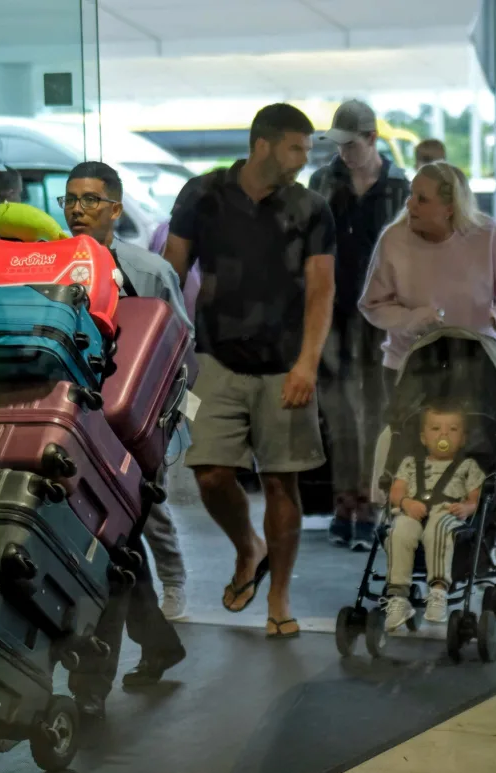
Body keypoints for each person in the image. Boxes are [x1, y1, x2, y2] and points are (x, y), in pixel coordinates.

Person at [163, 104, 336, 639]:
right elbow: (171, 273)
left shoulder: (310, 208)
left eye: (308, 150)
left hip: (285, 363)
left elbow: (322, 289)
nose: (303, 160)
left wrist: (307, 362)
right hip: (215, 356)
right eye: (295, 148)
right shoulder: (202, 194)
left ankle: (279, 597)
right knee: (210, 472)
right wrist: (167, 352)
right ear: (262, 144)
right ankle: (247, 550)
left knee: (282, 482)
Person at [58, 161, 190, 719]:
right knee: (117, 552)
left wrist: (166, 434)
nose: (78, 209)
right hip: (74, 430)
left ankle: (91, 687)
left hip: (134, 439)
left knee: (108, 554)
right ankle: (159, 645)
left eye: (90, 199)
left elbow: (178, 349)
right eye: (70, 199)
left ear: (116, 208)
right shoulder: (50, 268)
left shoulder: (149, 270)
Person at [309, 99, 410, 551]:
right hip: (330, 311)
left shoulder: (400, 189)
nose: (344, 153)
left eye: (352, 145)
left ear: (371, 139)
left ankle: (370, 504)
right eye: (339, 145)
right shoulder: (321, 182)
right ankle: (343, 501)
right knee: (336, 414)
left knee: (376, 412)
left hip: (380, 315)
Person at [360, 161, 496, 382]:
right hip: (409, 366)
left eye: (422, 199)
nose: (409, 204)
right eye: (411, 194)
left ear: (450, 208)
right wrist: (411, 319)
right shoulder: (393, 239)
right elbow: (373, 305)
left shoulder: (486, 234)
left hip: (478, 363)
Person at [384, 403, 485, 630]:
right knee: (399, 529)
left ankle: (438, 590)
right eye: (436, 428)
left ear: (463, 438)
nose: (443, 434)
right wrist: (406, 502)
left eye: (453, 429)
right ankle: (398, 596)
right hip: (413, 510)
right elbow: (397, 490)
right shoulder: (410, 463)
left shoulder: (468, 466)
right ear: (423, 437)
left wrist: (468, 509)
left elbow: (475, 497)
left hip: (448, 513)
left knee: (439, 526)